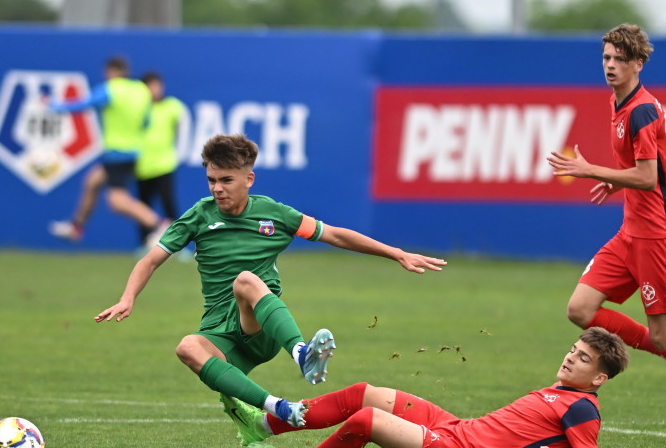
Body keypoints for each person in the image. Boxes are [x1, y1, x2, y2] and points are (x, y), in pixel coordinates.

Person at [94, 133, 447, 428]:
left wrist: (396, 252)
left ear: (249, 179)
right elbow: (152, 258)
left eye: (226, 180)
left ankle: (301, 353)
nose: (217, 188)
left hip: (260, 324)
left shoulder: (274, 214)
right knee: (187, 347)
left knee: (246, 280)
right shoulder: (198, 215)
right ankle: (281, 409)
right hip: (221, 329)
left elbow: (336, 236)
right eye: (212, 180)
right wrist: (128, 298)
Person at [546, 23, 666, 446]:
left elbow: (649, 175)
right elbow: (665, 137)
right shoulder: (624, 103)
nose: (611, 66)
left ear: (639, 63)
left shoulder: (640, 108)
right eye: (606, 58)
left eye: (620, 59)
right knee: (580, 308)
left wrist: (592, 170)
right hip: (631, 231)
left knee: (662, 333)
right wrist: (619, 182)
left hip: (657, 233)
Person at [224, 327, 628, 448]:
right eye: (574, 349)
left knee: (368, 419)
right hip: (459, 428)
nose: (571, 357)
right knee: (363, 392)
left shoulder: (582, 408)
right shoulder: (562, 389)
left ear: (599, 379)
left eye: (583, 358)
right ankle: (264, 425)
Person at [48, 56, 169, 245]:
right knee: (92, 182)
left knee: (117, 201)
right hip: (132, 152)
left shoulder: (111, 89)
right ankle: (76, 226)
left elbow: (83, 104)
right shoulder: (141, 91)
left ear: (111, 71)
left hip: (116, 153)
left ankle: (160, 225)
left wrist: (54, 105)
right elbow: (147, 123)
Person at [134, 71, 186, 246]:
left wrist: (178, 153)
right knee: (143, 207)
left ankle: (178, 246)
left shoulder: (172, 106)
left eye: (158, 85)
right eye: (151, 86)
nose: (155, 89)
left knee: (169, 205)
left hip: (164, 164)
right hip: (142, 166)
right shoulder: (138, 108)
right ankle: (144, 244)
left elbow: (182, 129)